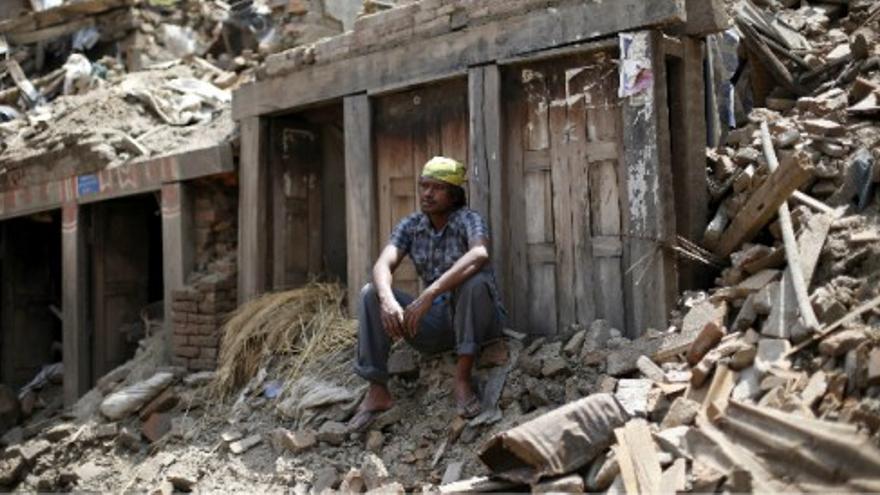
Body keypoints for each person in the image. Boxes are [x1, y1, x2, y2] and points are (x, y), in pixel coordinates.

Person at [348, 156, 505, 431]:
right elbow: (384, 263)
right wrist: (387, 300)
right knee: (370, 293)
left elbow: (479, 253)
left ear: (454, 194)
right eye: (424, 186)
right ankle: (377, 390)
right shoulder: (411, 225)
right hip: (435, 322)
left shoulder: (468, 219)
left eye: (437, 187)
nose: (427, 193)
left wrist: (430, 293)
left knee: (474, 282)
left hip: (476, 322)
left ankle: (462, 379)